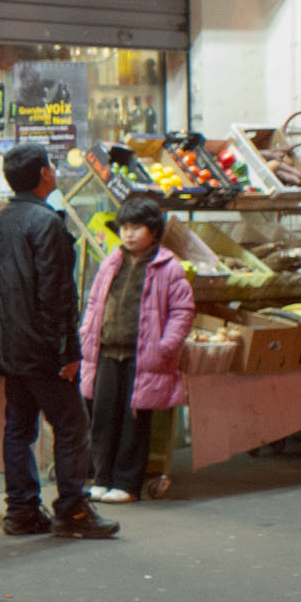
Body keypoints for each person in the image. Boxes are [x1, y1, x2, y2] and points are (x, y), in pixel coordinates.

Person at [0, 142, 119, 539]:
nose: (54, 170)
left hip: (10, 347)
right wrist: (68, 351)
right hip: (42, 350)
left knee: (19, 427)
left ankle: (21, 510)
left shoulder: (1, 221)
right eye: (51, 165)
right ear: (44, 174)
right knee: (72, 425)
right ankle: (72, 510)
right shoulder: (48, 222)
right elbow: (57, 295)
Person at [78, 195, 194, 504]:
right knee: (102, 418)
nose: (129, 234)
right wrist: (87, 332)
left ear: (154, 231)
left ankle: (127, 484)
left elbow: (183, 311)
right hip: (106, 353)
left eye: (136, 227)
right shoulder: (110, 262)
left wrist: (165, 346)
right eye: (124, 227)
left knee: (134, 422)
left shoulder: (169, 268)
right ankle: (101, 478)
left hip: (143, 358)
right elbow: (93, 303)